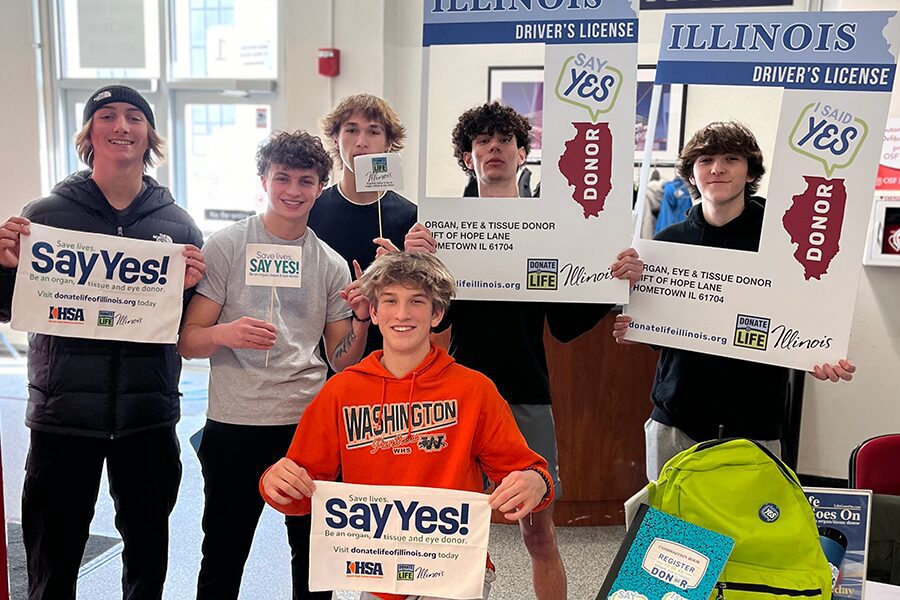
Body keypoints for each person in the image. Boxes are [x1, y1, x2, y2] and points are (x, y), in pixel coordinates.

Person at [401, 102, 642, 600]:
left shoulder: (547, 226)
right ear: (468, 157)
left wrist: (612, 284)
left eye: (503, 140)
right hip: (459, 396)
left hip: (528, 393)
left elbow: (566, 324)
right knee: (458, 533)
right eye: (482, 141)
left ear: (521, 154)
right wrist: (417, 263)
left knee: (538, 531)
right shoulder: (445, 228)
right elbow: (435, 320)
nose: (493, 148)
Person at [0, 84, 205, 600]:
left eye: (134, 117)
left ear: (149, 134)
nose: (121, 126)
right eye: (107, 116)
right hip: (63, 416)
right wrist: (3, 268)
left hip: (147, 418)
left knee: (147, 559)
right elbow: (11, 309)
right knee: (53, 560)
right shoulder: (45, 216)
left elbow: (187, 328)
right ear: (89, 133)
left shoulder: (177, 227)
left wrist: (186, 291)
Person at [260, 251, 554, 600]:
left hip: (453, 569)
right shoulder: (341, 391)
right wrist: (275, 481)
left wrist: (536, 481)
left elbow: (525, 470)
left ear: (437, 314)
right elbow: (300, 490)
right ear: (373, 311)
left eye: (417, 301)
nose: (402, 313)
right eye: (390, 301)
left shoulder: (474, 390)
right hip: (375, 573)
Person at [177, 130, 370, 599]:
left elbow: (344, 363)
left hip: (306, 425)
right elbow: (188, 341)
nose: (292, 190)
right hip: (235, 422)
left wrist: (362, 319)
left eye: (305, 181)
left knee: (313, 561)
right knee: (223, 552)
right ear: (263, 180)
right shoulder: (226, 246)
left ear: (319, 188)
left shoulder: (330, 263)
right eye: (282, 178)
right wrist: (226, 333)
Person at [612, 121, 856, 481]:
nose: (717, 168)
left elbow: (806, 315)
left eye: (731, 158)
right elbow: (660, 333)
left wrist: (819, 352)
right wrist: (633, 316)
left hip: (755, 421)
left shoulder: (787, 243)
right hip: (678, 419)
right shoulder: (666, 243)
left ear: (750, 171)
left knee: (748, 532)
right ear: (691, 174)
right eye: (706, 159)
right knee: (674, 531)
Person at [310, 94, 427, 368]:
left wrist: (403, 267)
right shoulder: (311, 212)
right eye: (351, 130)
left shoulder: (412, 218)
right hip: (323, 365)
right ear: (336, 140)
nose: (361, 141)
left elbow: (432, 307)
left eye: (373, 131)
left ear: (388, 144)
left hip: (392, 362)